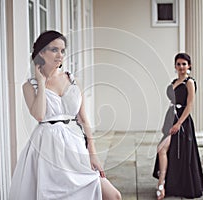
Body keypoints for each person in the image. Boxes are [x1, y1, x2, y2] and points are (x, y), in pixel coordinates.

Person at [9, 30, 121, 200]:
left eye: (62, 51)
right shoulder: (29, 86)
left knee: (113, 196)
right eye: (54, 50)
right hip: (47, 148)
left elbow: (83, 119)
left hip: (75, 145)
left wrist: (93, 154)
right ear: (41, 52)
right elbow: (39, 116)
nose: (60, 55)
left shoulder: (72, 79)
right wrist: (41, 82)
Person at [152, 53, 203, 199]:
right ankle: (163, 183)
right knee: (164, 150)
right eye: (178, 64)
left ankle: (162, 185)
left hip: (182, 122)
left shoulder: (190, 82)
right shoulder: (174, 81)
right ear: (175, 66)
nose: (181, 67)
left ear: (189, 66)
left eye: (184, 64)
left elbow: (189, 105)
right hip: (171, 117)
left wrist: (178, 123)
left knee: (162, 149)